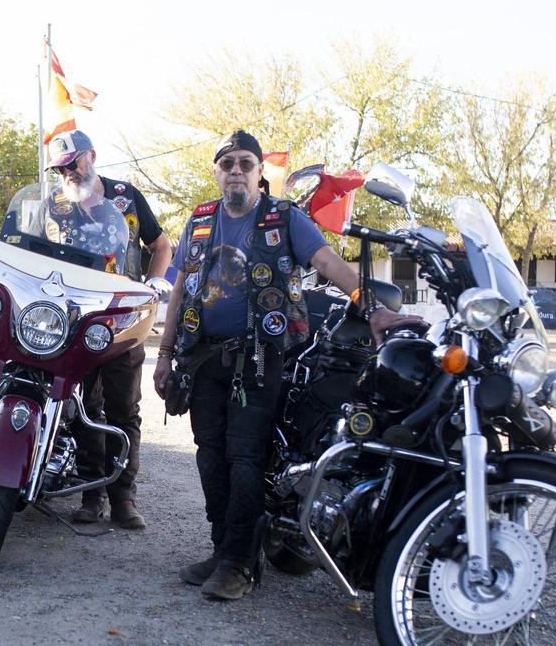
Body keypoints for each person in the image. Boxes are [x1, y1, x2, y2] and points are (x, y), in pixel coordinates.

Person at [152, 130, 421, 600]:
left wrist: (373, 308)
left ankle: (240, 563)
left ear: (260, 172)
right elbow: (180, 289)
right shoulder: (199, 220)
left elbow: (328, 263)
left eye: (246, 163)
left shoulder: (284, 217)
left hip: (259, 358)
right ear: (217, 172)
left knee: (244, 457)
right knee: (209, 453)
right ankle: (222, 549)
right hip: (203, 358)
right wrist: (165, 353)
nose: (236, 171)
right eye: (228, 164)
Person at [41, 130, 173, 530]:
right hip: (75, 322)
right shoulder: (53, 206)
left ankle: (123, 499)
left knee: (123, 410)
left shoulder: (125, 195)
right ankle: (90, 495)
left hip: (123, 321)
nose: (67, 173)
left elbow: (161, 245)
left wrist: (153, 284)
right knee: (82, 408)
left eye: (72, 163)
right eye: (59, 169)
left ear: (92, 156)